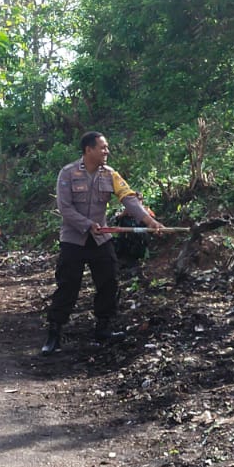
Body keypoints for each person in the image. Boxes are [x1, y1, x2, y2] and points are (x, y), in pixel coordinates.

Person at [42, 132, 165, 355]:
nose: (106, 151)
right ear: (88, 150)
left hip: (101, 239)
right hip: (74, 239)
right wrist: (88, 224)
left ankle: (103, 329)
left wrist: (150, 221)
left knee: (109, 282)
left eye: (106, 147)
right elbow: (65, 208)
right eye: (102, 147)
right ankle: (54, 334)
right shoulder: (68, 173)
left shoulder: (110, 175)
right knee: (68, 285)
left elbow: (129, 199)